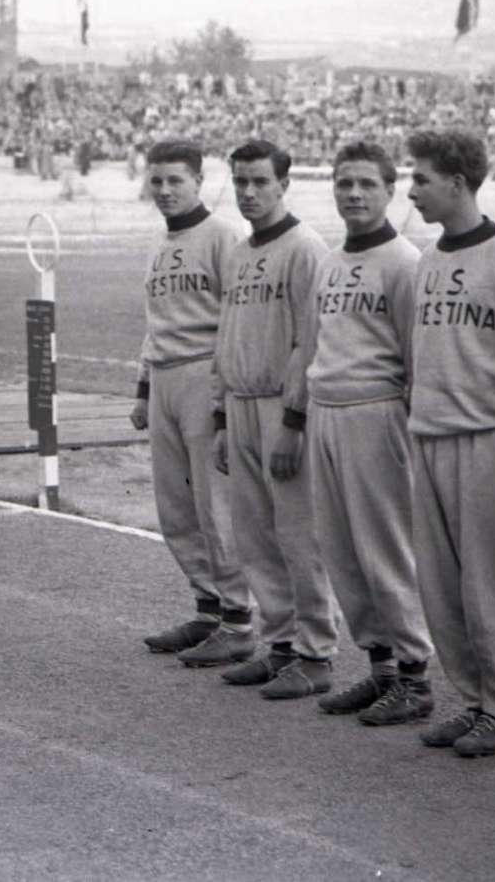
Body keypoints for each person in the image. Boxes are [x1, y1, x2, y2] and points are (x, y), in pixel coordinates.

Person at [401, 129, 495, 757]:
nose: (412, 191)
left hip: (487, 438)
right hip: (430, 434)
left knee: (492, 584)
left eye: (422, 179)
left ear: (457, 183)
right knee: (442, 584)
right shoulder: (427, 260)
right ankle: (476, 699)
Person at [305, 141, 434, 726]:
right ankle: (380, 668)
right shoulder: (330, 262)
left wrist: (404, 430)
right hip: (326, 410)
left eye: (366, 184)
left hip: (377, 413)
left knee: (385, 548)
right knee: (343, 551)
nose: (354, 194)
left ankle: (415, 675)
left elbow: (415, 355)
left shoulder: (404, 262)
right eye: (344, 184)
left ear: (389, 191)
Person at [208, 139, 336, 697]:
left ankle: (316, 653)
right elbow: (225, 339)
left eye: (260, 181)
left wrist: (294, 419)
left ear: (284, 184)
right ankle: (280, 645)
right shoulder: (239, 253)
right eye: (240, 181)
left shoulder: (305, 248)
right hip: (240, 403)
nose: (249, 192)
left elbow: (311, 341)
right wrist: (220, 417)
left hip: (281, 407)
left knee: (298, 536)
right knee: (254, 536)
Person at [133, 139, 252, 659]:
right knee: (176, 508)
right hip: (164, 379)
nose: (164, 190)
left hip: (205, 373)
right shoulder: (160, 242)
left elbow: (238, 318)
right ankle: (208, 609)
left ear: (199, 182)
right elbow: (155, 322)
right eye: (156, 180)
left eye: (175, 180)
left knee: (215, 505)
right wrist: (143, 389)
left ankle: (239, 621)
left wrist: (224, 396)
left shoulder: (224, 236)